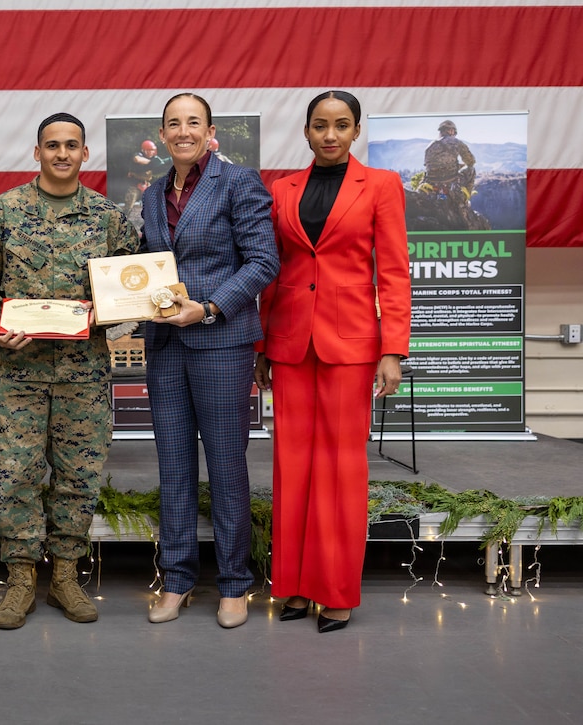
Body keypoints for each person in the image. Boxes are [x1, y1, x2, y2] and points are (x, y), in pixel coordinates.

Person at [0, 112, 139, 630]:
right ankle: (20, 578)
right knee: (16, 476)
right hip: (18, 373)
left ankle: (64, 575)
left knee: (76, 479)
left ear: (86, 154)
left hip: (83, 374)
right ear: (36, 152)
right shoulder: (3, 213)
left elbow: (131, 290)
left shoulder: (109, 220)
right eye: (52, 145)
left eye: (71, 146)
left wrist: (107, 312)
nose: (62, 154)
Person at [254, 90, 411, 633]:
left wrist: (392, 349)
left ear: (356, 131)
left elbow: (392, 272)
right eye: (320, 125)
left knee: (343, 469)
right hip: (290, 341)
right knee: (290, 465)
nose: (329, 134)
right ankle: (295, 587)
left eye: (341, 125)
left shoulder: (383, 186)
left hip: (352, 345)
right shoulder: (282, 189)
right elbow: (270, 269)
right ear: (305, 131)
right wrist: (261, 347)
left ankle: (337, 590)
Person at [140, 93, 279, 628]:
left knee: (225, 466)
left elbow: (264, 260)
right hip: (165, 348)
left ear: (210, 130)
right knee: (173, 468)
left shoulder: (239, 182)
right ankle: (175, 581)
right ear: (163, 132)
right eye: (173, 123)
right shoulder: (154, 194)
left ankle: (234, 584)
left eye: (192, 122)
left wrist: (211, 307)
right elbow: (146, 266)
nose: (182, 131)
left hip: (221, 342)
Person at [423, 119, 476, 205]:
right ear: (451, 130)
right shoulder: (456, 142)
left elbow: (431, 165)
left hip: (431, 181)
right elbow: (471, 161)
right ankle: (465, 199)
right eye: (454, 133)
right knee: (471, 169)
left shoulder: (430, 145)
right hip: (450, 180)